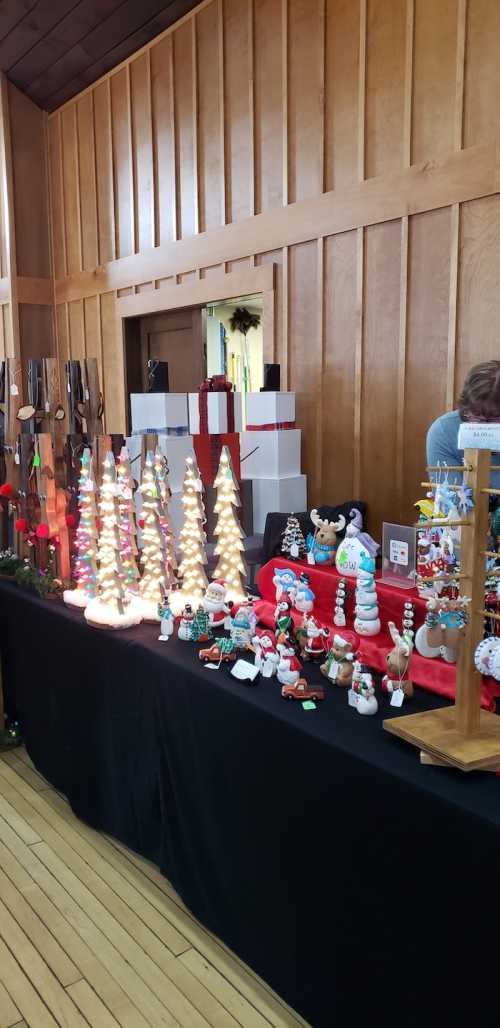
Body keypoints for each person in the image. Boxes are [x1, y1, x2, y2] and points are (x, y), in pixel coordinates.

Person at [427, 361, 500, 485]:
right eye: (477, 417)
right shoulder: (444, 430)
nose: (483, 428)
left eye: (494, 419)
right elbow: (450, 500)